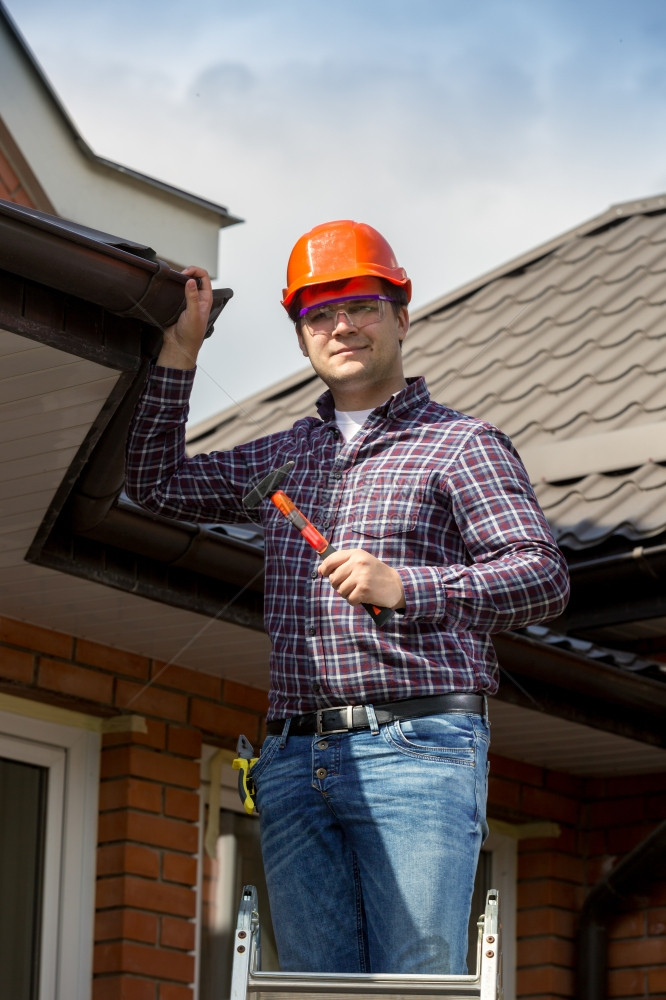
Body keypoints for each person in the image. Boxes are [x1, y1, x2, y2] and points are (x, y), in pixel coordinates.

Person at [126, 220, 569, 976]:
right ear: (302, 335)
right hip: (295, 757)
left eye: (360, 305)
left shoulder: (462, 445)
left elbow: (541, 576)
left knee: (413, 985)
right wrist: (179, 355)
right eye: (319, 314)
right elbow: (154, 481)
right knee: (315, 988)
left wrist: (407, 586)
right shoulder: (284, 454)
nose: (342, 326)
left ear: (401, 314)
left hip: (418, 749)